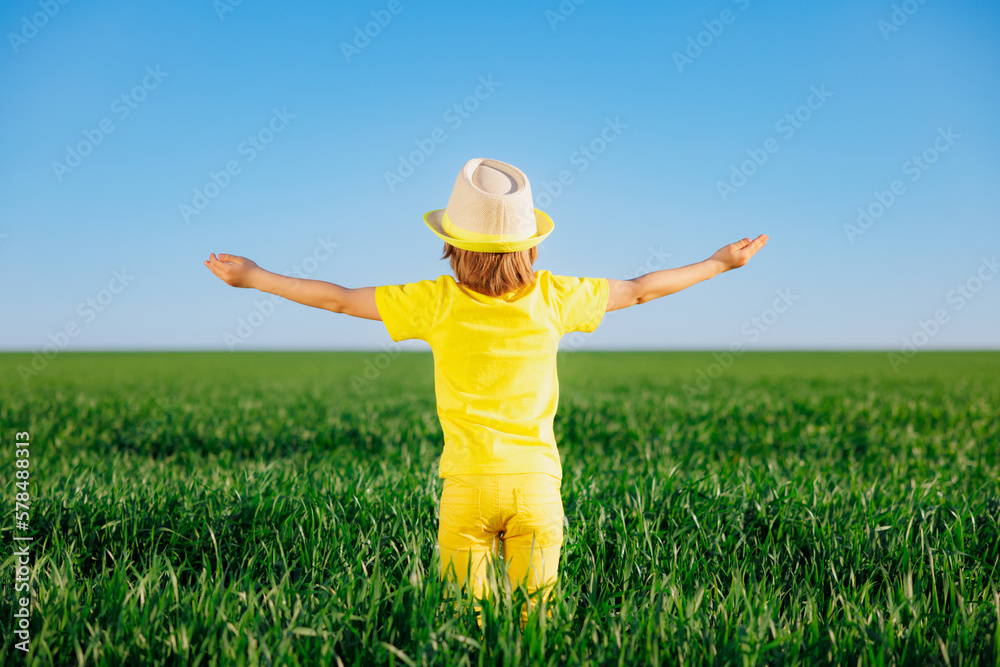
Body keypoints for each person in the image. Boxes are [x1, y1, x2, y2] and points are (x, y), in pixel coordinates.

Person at [204, 157, 768, 632]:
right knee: (535, 632)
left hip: (466, 490)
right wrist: (720, 262)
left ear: (451, 247)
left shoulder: (434, 301)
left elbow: (339, 300)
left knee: (465, 635)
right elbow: (642, 291)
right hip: (538, 489)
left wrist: (255, 277)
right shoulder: (556, 296)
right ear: (530, 247)